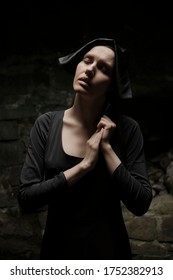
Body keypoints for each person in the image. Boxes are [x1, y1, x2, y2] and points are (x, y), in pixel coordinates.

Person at [18, 38, 152, 260]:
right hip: (57, 255)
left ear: (111, 84)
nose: (90, 70)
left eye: (103, 68)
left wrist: (106, 149)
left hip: (110, 256)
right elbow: (26, 198)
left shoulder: (127, 129)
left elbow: (140, 203)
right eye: (87, 60)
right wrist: (85, 166)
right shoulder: (47, 124)